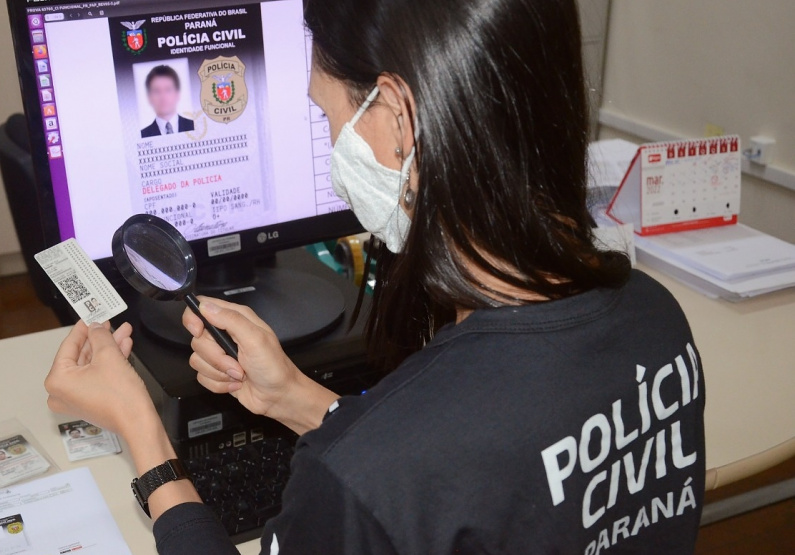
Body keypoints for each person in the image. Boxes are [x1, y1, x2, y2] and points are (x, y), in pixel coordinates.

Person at [45, 0, 706, 553]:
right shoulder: (656, 320)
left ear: (395, 118)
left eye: (326, 114)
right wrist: (294, 398)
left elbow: (408, 471)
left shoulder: (360, 477)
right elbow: (477, 476)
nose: (330, 136)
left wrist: (143, 432)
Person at [141, 65, 195, 138]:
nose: (163, 97)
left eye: (168, 90)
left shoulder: (193, 126)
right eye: (156, 91)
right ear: (149, 97)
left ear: (177, 94)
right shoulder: (143, 135)